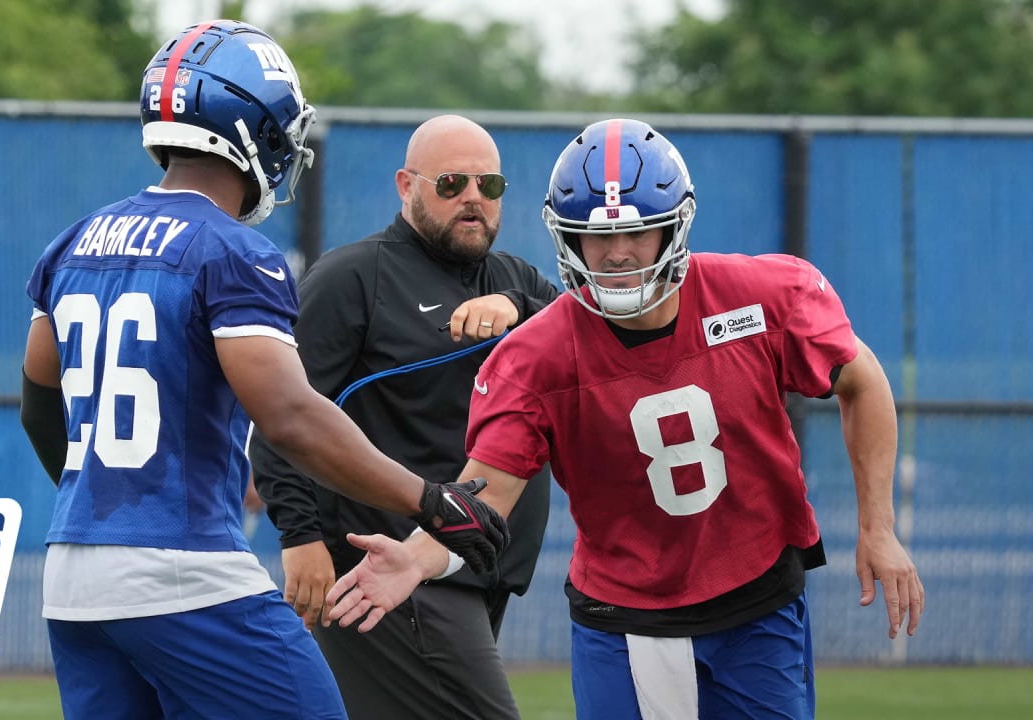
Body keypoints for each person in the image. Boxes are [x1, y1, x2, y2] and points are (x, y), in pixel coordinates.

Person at [326, 118, 926, 719]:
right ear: (566, 238)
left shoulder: (762, 295)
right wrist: (419, 553)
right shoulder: (535, 356)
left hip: (757, 602)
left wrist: (878, 526)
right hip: (623, 616)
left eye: (638, 233)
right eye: (594, 236)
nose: (616, 253)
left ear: (674, 227)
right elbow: (487, 495)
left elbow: (863, 381)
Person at [17, 20, 507, 720]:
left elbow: (38, 398)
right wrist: (428, 501)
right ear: (257, 129)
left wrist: (104, 498)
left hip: (73, 575)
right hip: (184, 569)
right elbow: (291, 416)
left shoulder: (75, 242)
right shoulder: (232, 250)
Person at [249, 114, 561, 720]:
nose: (473, 199)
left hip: (475, 568)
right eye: (451, 184)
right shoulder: (353, 277)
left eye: (488, 187)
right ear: (406, 185)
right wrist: (301, 536)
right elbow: (282, 416)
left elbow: (584, 328)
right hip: (389, 564)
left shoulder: (516, 279)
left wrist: (517, 305)